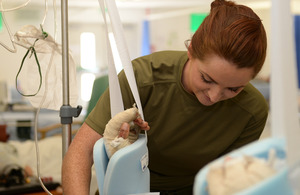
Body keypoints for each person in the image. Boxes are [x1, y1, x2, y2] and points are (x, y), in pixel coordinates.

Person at [62, 0, 268, 194]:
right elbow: (81, 153)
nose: (214, 96)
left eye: (233, 89)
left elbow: (227, 182)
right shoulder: (142, 78)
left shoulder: (252, 111)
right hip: (126, 188)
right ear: (191, 51)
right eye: (207, 79)